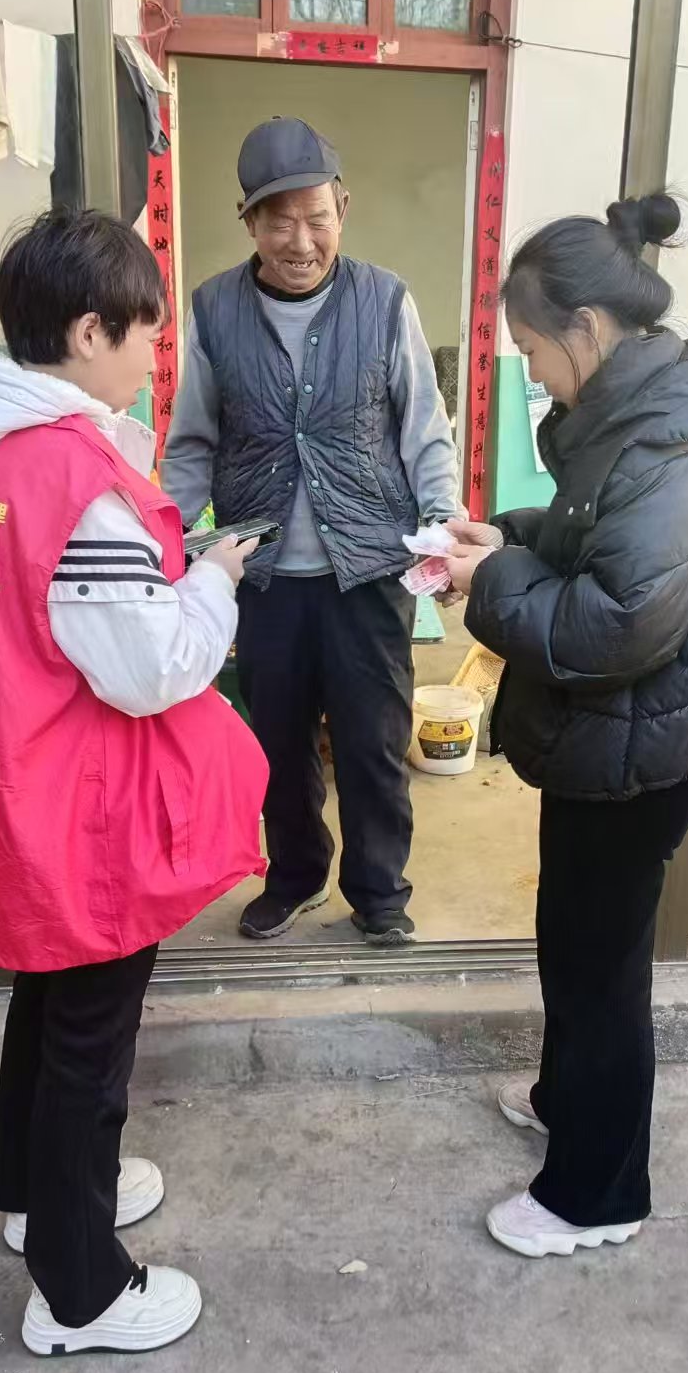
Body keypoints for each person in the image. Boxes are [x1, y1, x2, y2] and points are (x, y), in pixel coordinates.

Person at [0, 209, 268, 1354]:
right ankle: (80, 1286)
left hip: (11, 773)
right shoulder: (72, 476)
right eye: (146, 332)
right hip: (83, 801)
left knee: (47, 996)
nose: (155, 355)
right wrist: (213, 577)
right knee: (90, 1040)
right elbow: (150, 668)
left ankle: (31, 1193)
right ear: (91, 329)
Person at [443, 194, 688, 1258]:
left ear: (584, 328)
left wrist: (491, 581)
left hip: (639, 748)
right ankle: (563, 1100)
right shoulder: (634, 420)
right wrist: (506, 538)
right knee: (572, 938)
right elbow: (591, 537)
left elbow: (611, 623)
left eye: (533, 350)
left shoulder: (664, 452)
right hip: (612, 741)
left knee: (602, 967)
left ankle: (597, 1192)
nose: (531, 371)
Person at [161, 117, 461, 947]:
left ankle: (378, 892)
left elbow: (424, 431)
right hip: (262, 579)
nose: (301, 241)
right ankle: (293, 878)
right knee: (278, 747)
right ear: (249, 223)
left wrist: (440, 528)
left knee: (373, 745)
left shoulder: (385, 300)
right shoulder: (215, 308)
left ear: (343, 210)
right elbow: (192, 443)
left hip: (368, 572)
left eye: (317, 218)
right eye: (280, 221)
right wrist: (166, 543)